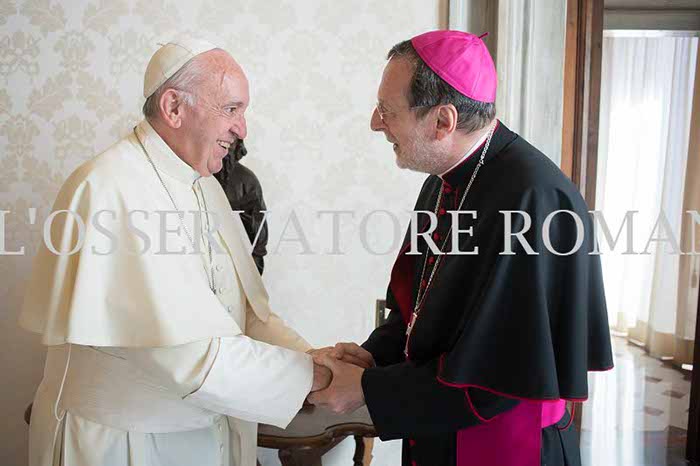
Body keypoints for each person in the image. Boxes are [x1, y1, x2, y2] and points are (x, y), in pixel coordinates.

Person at [20, 38, 330, 466]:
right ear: (174, 107)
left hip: (206, 436)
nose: (241, 129)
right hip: (121, 445)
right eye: (231, 109)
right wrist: (317, 377)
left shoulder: (206, 186)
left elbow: (247, 313)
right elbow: (187, 355)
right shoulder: (108, 188)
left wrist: (311, 356)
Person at [309, 30, 613, 466]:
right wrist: (375, 355)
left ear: (443, 121)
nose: (376, 123)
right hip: (439, 428)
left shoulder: (535, 200)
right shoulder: (444, 178)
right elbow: (419, 306)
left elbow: (504, 372)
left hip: (505, 442)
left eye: (387, 111)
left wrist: (366, 390)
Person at [214, 139, 268, 274]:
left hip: (239, 261)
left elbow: (259, 229)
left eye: (231, 143)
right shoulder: (202, 176)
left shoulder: (247, 180)